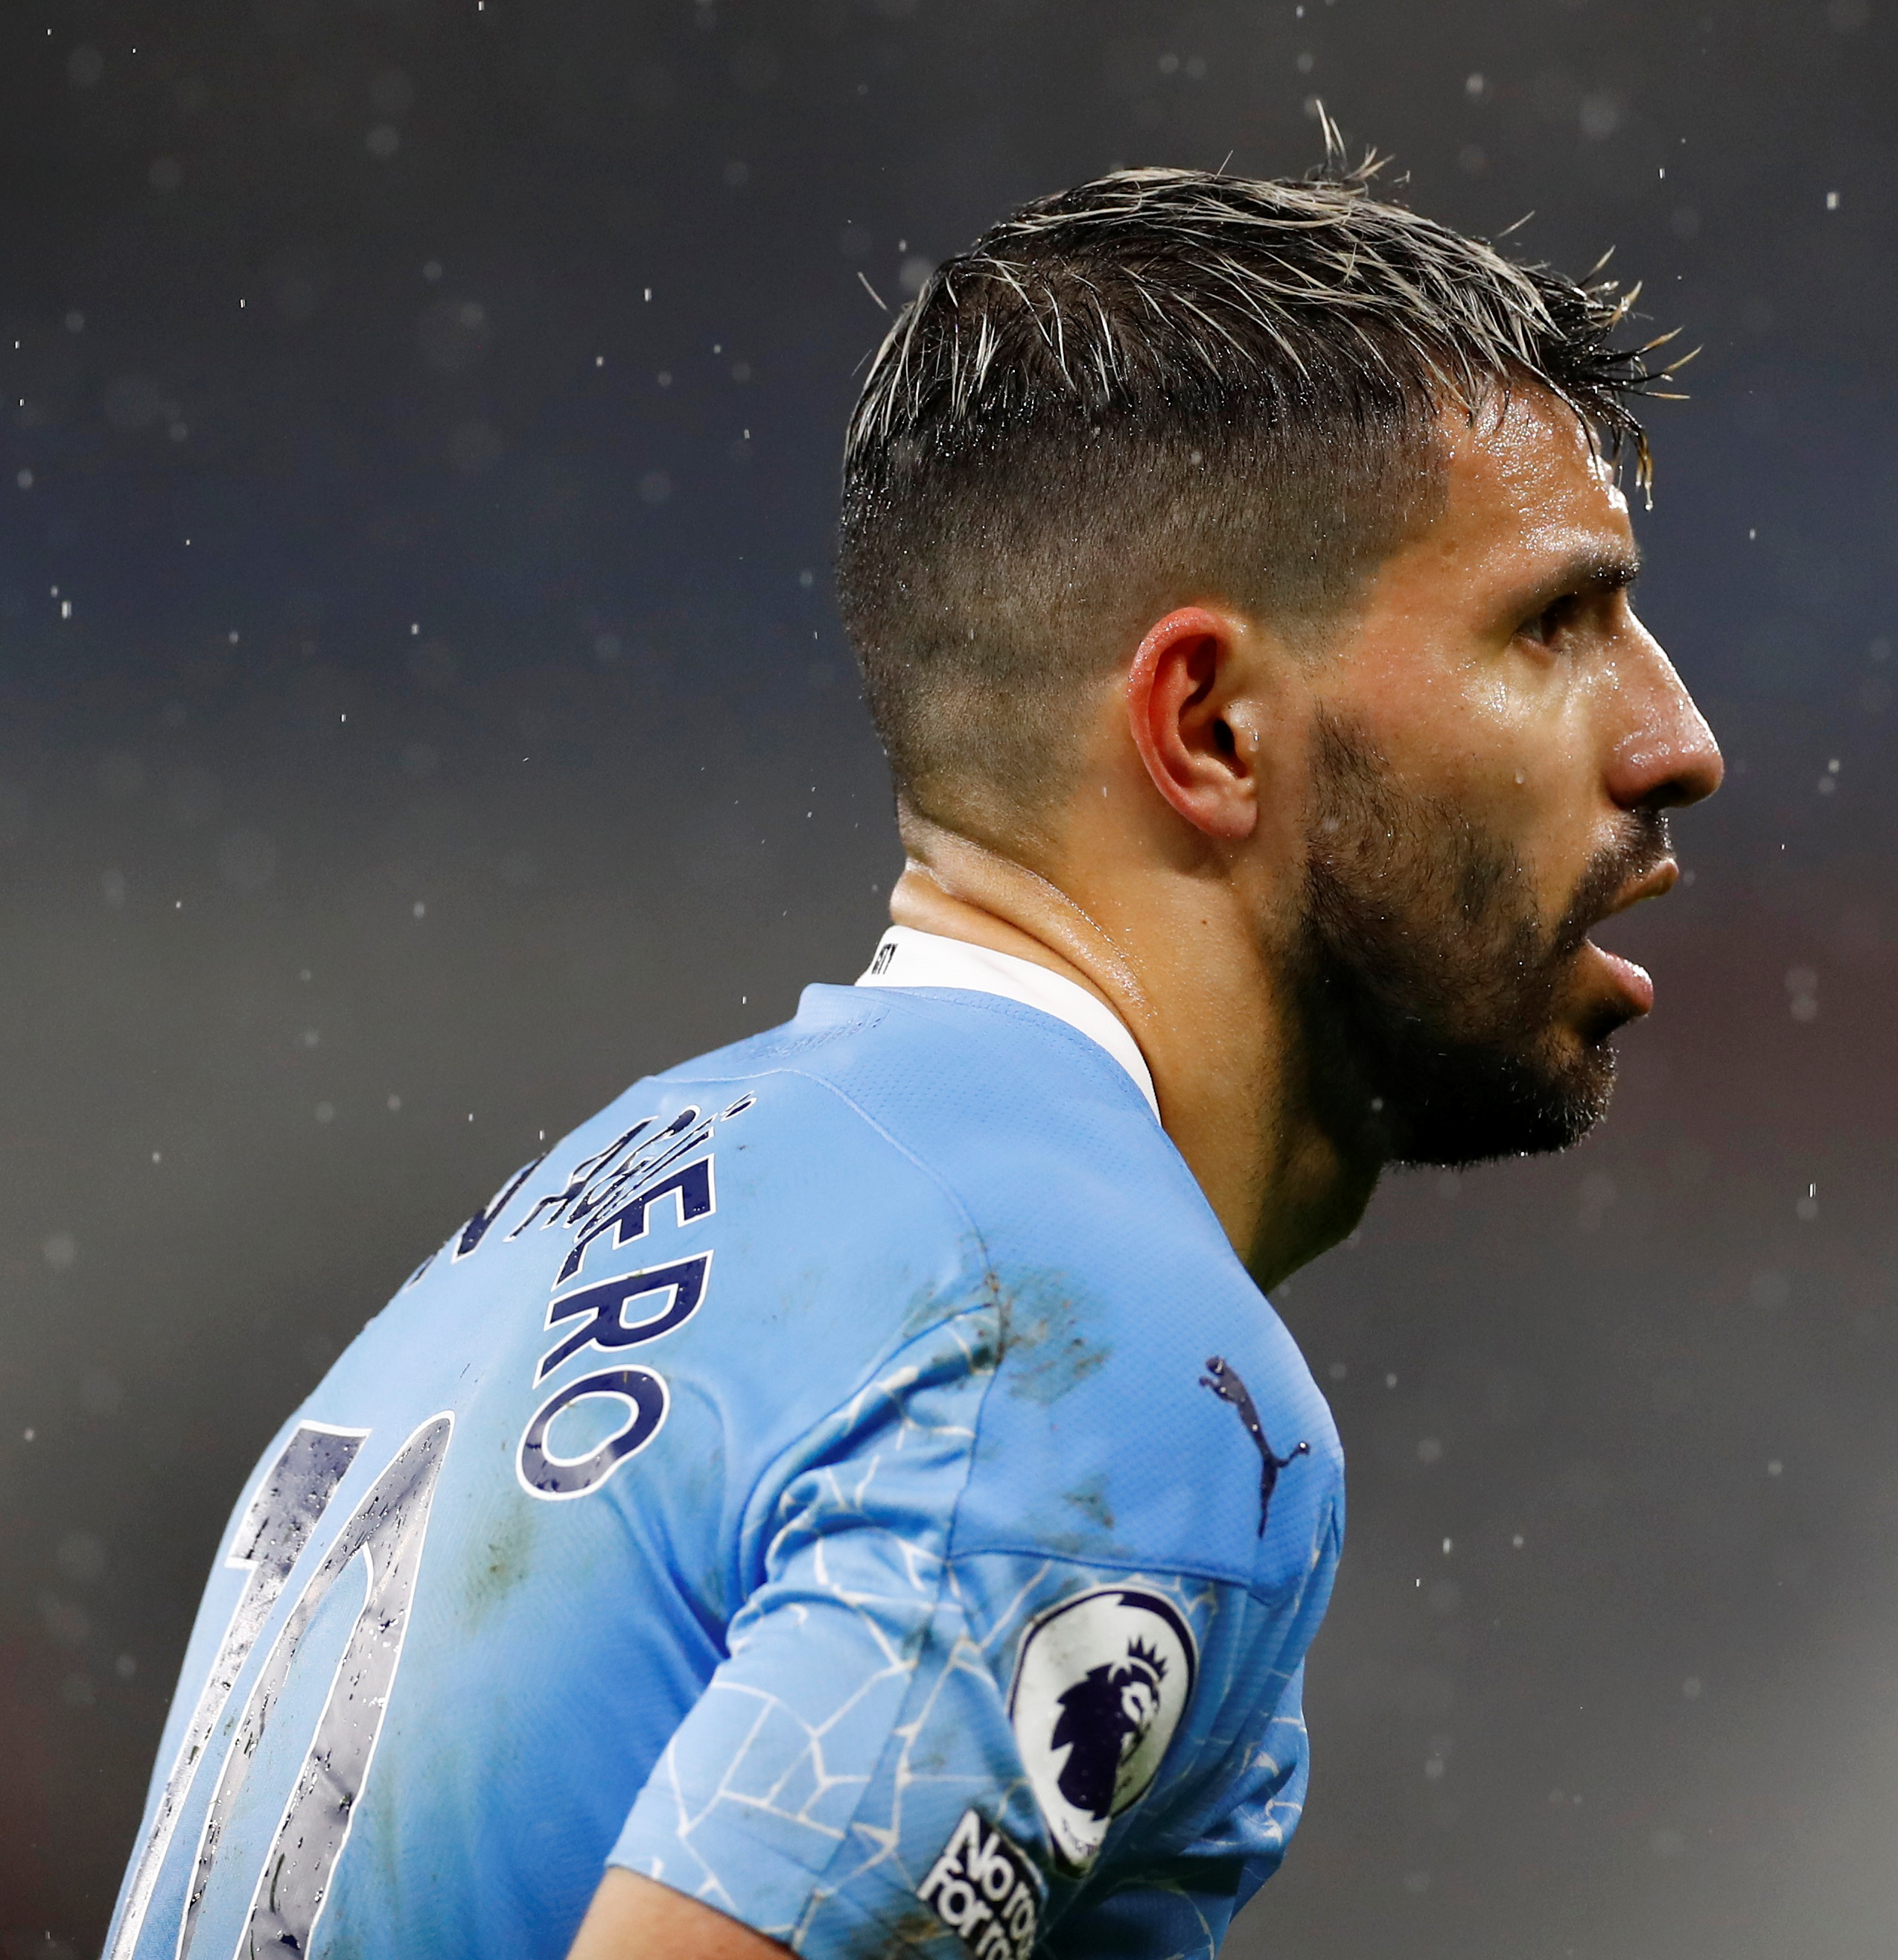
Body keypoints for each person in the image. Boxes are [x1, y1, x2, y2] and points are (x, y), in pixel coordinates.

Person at [101, 159, 1722, 1960]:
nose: (1677, 738)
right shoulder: (1084, 1356)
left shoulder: (585, 1216)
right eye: (1554, 624)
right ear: (1208, 723)